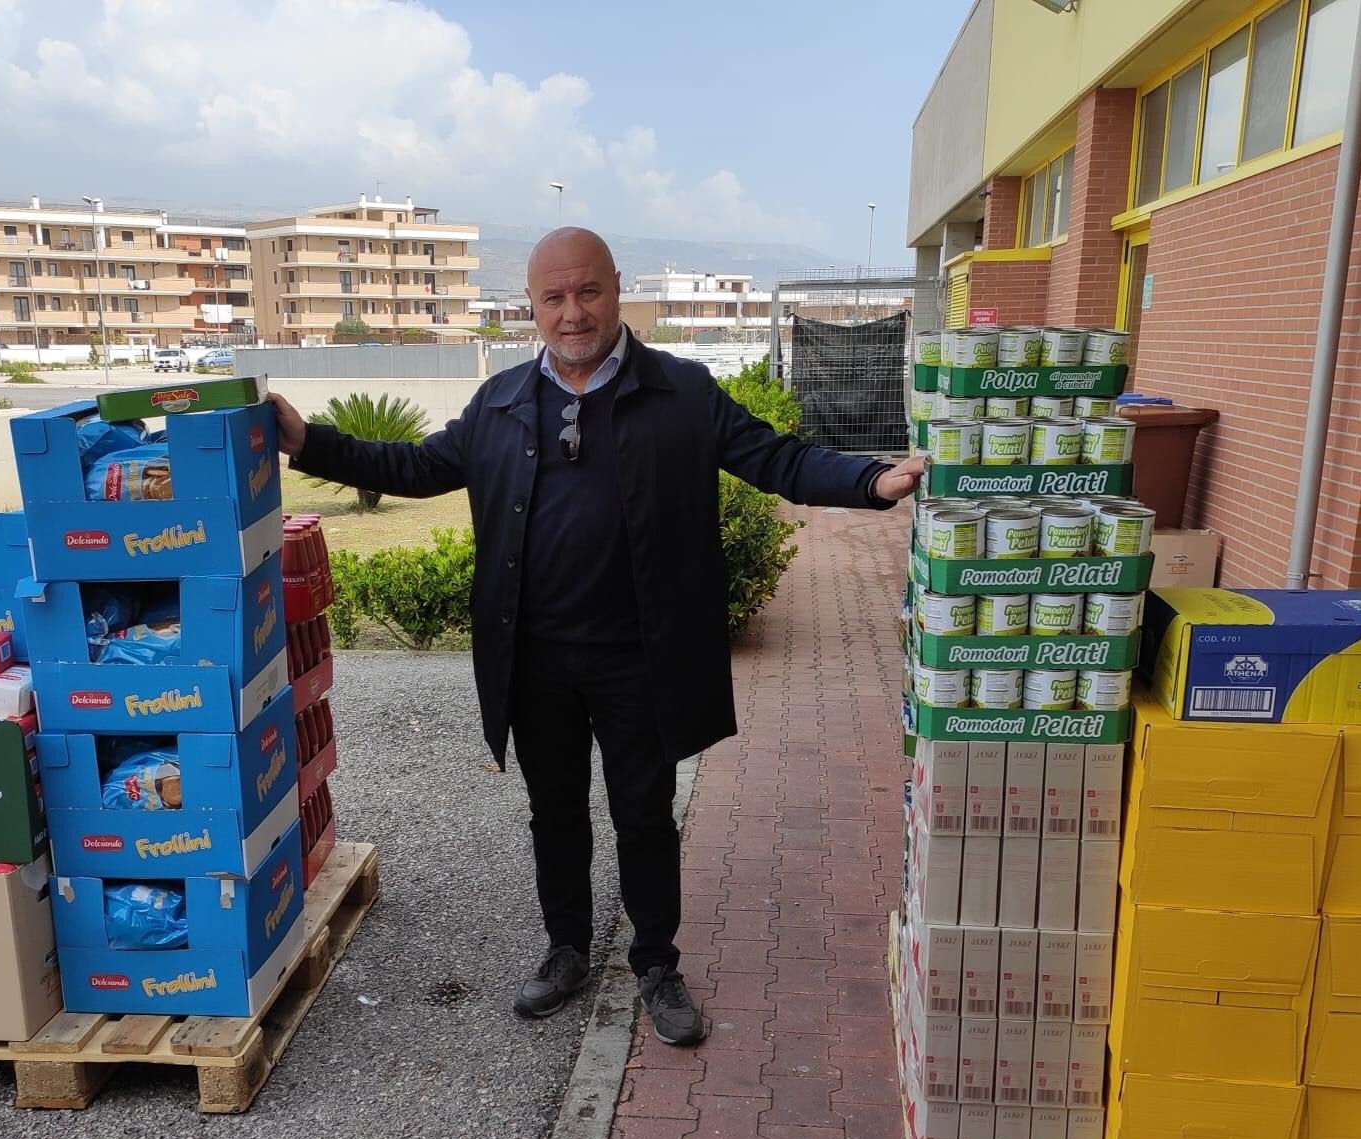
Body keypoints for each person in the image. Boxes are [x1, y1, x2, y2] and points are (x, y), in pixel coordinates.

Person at [268, 228, 924, 1046]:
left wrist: (869, 479)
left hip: (639, 658)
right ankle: (566, 949)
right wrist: (311, 442)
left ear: (616, 290)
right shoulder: (500, 401)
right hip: (534, 658)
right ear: (532, 306)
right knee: (554, 812)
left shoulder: (680, 392)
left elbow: (775, 459)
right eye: (554, 297)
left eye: (587, 292)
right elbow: (415, 467)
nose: (572, 312)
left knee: (643, 814)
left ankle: (656, 963)